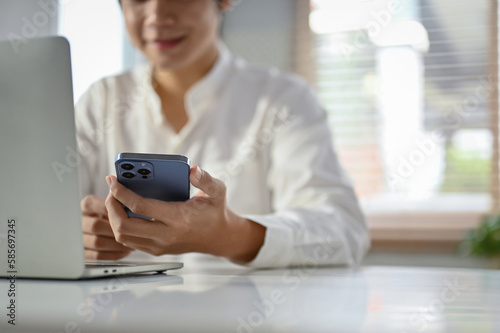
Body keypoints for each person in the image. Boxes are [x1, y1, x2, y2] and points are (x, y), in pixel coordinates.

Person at [76, 0, 370, 268]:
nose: (156, 16)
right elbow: (41, 214)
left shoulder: (285, 100)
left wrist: (227, 235)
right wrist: (76, 234)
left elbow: (343, 231)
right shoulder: (100, 101)